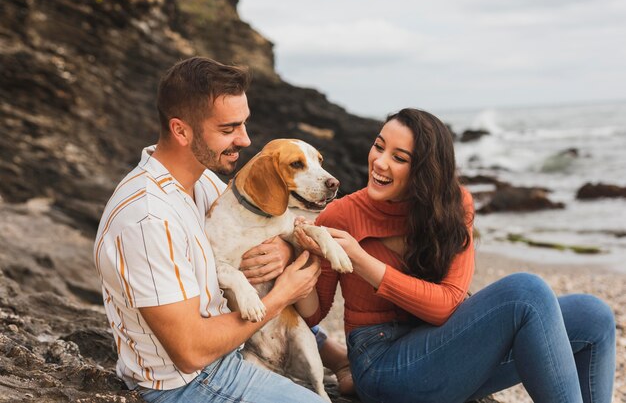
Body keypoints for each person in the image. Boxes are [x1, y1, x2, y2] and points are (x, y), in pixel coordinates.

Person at [295, 108, 616, 403]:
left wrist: (359, 259)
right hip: (383, 364)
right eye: (379, 147)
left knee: (593, 315)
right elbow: (313, 313)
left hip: (445, 345)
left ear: (424, 170)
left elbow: (446, 305)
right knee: (526, 292)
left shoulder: (453, 205)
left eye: (399, 157)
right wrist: (299, 256)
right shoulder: (340, 215)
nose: (379, 162)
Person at [93, 56, 328, 403]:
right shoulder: (147, 219)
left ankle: (335, 357)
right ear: (181, 130)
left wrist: (284, 251)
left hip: (230, 348)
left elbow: (263, 226)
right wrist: (282, 296)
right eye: (228, 129)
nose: (246, 140)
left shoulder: (200, 181)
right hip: (186, 382)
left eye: (244, 124)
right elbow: (190, 352)